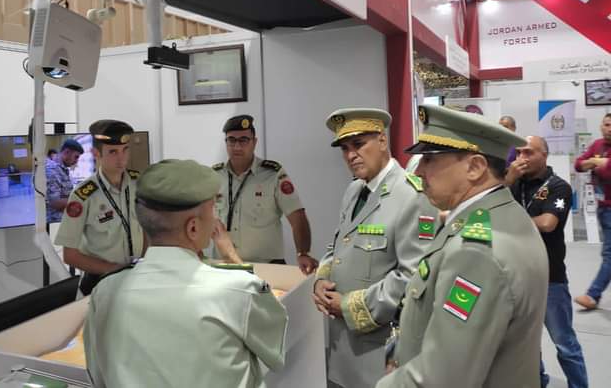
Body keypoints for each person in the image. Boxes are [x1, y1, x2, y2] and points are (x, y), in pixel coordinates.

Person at [378, 104, 548, 388]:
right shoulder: (502, 214)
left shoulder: (476, 253)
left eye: (429, 160)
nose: (418, 172)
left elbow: (443, 377)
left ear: (475, 167)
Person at [84, 159, 288, 388]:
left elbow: (98, 375)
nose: (216, 218)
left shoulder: (105, 292)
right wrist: (233, 257)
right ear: (193, 228)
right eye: (213, 209)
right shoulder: (240, 291)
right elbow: (276, 353)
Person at [313, 108, 439, 388]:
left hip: (380, 350)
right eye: (345, 149)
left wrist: (349, 306)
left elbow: (414, 275)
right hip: (341, 345)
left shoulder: (411, 195)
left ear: (382, 140)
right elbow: (338, 245)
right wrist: (321, 279)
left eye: (359, 144)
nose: (351, 155)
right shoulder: (354, 191)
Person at [507, 135, 588, 388]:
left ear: (544, 155)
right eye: (519, 152)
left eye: (529, 152)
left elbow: (547, 223)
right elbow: (488, 205)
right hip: (518, 276)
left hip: (550, 278)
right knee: (526, 343)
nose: (522, 158)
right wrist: (508, 179)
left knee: (565, 343)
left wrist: (510, 222)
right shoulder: (513, 184)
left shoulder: (558, 187)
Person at [212, 115, 318, 273]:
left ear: (254, 142)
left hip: (266, 267)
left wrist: (303, 252)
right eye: (231, 140)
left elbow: (297, 217)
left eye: (243, 140)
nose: (237, 146)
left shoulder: (273, 174)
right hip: (225, 266)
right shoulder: (213, 176)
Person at [54, 120, 145, 295]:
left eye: (125, 149)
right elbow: (70, 255)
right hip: (100, 283)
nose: (121, 158)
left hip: (135, 279)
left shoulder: (139, 184)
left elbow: (147, 228)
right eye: (113, 152)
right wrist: (115, 271)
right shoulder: (83, 196)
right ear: (96, 153)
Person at [574, 112, 611, 310]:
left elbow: (608, 171)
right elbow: (578, 164)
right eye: (606, 124)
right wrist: (597, 162)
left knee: (609, 254)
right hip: (603, 208)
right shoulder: (597, 145)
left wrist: (595, 164)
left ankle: (593, 294)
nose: (609, 128)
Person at [46, 139, 85, 223]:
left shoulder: (61, 168)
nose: (76, 161)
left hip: (65, 218)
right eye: (76, 157)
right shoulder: (51, 170)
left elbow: (64, 192)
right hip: (56, 221)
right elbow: (55, 203)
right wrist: (81, 197)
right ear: (67, 152)